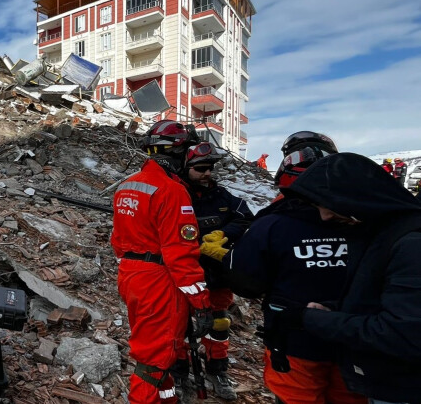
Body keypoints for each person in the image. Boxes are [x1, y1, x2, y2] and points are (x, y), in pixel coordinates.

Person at [224, 133, 367, 404]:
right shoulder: (367, 221)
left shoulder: (272, 224)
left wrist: (228, 257)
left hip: (295, 342)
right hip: (357, 338)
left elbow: (246, 284)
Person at [267, 152, 421, 403]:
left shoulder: (411, 243)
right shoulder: (382, 234)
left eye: (325, 204)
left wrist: (314, 319)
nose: (324, 217)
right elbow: (386, 302)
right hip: (384, 381)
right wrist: (336, 310)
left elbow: (404, 335)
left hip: (404, 389)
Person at [111, 119, 212, 403]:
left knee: (155, 352)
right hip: (159, 281)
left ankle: (166, 399)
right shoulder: (172, 190)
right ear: (178, 153)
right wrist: (201, 302)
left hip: (131, 274)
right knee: (154, 360)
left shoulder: (127, 186)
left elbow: (117, 241)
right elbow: (180, 254)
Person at [171, 142, 254, 401]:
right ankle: (180, 373)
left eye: (210, 168)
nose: (207, 173)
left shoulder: (221, 196)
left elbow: (245, 217)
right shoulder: (175, 194)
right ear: (186, 168)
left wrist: (223, 235)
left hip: (217, 275)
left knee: (218, 325)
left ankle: (217, 371)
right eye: (201, 168)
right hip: (185, 273)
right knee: (181, 325)